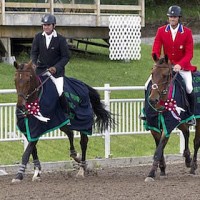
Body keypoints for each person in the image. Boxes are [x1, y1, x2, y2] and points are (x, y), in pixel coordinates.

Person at [141, 5, 197, 126]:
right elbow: (156, 47)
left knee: (189, 87)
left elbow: (189, 53)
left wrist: (180, 65)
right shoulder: (161, 30)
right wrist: (157, 59)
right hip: (165, 66)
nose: (172, 19)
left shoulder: (187, 32)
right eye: (170, 16)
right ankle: (146, 111)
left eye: (174, 17)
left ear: (178, 18)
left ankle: (190, 115)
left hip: (181, 67)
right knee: (147, 85)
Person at [31, 13, 70, 113]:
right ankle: (32, 112)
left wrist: (56, 68)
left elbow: (66, 57)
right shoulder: (38, 37)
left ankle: (66, 114)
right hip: (41, 72)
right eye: (44, 25)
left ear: (54, 26)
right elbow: (34, 53)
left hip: (56, 73)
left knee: (60, 91)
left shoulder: (61, 39)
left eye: (48, 25)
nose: (46, 27)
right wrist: (34, 63)